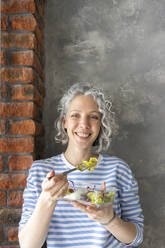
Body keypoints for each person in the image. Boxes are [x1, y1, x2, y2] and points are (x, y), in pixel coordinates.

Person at [18, 83, 144, 248]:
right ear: (64, 121)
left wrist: (110, 219)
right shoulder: (41, 171)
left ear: (100, 124)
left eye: (93, 116)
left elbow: (137, 237)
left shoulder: (118, 169)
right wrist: (47, 199)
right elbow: (28, 245)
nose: (84, 124)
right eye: (75, 115)